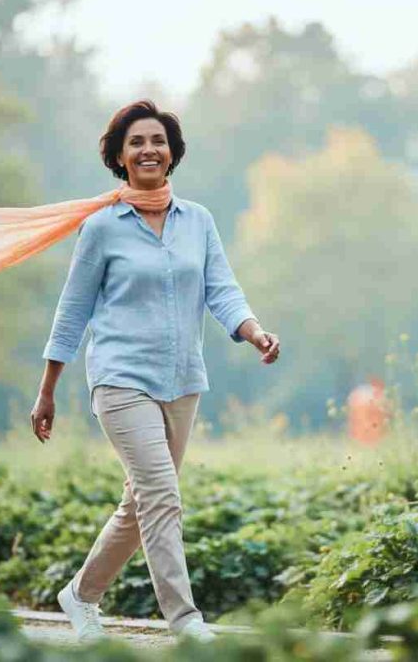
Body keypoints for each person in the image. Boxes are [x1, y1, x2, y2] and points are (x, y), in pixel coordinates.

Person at [28, 99, 280, 644]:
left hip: (183, 378)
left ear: (172, 154)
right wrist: (47, 390)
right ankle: (186, 622)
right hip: (119, 379)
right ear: (120, 156)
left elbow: (222, 290)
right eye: (137, 142)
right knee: (162, 495)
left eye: (158, 141)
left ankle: (80, 594)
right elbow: (72, 312)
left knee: (141, 503)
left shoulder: (199, 221)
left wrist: (254, 331)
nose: (149, 149)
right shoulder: (101, 228)